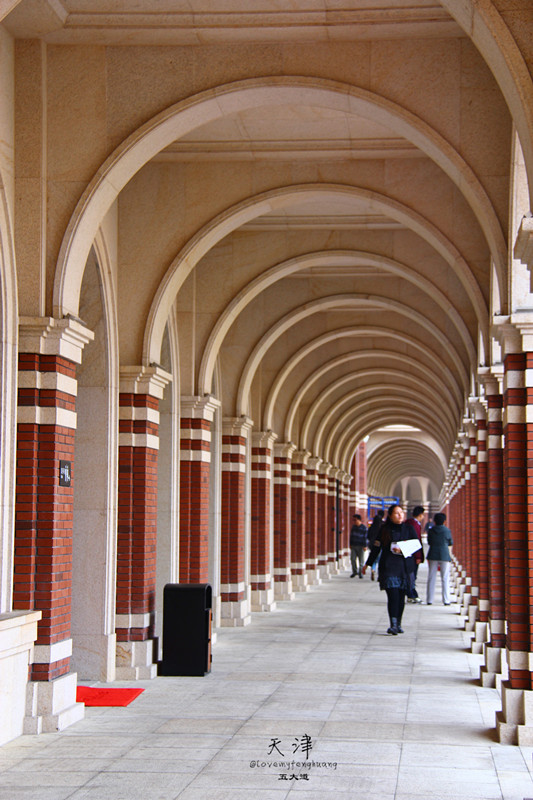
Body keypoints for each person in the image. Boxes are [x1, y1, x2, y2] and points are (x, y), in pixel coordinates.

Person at [364, 504, 420, 635]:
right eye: (396, 513)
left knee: (401, 597)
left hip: (404, 567)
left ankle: (398, 623)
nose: (400, 515)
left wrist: (403, 549)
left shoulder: (409, 528)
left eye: (401, 513)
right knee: (393, 595)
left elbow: (416, 545)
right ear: (390, 516)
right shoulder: (384, 530)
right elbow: (376, 547)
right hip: (389, 567)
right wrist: (368, 564)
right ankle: (393, 624)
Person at [426, 512, 453, 605]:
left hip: (433, 554)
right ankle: (446, 600)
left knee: (431, 577)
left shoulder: (431, 530)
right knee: (445, 577)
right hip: (444, 555)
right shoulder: (447, 531)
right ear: (444, 521)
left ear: (434, 521)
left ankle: (429, 599)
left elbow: (429, 541)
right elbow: (450, 542)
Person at [405, 505, 425, 603]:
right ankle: (411, 593)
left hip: (408, 552)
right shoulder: (415, 525)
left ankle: (411, 593)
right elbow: (416, 541)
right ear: (420, 515)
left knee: (410, 575)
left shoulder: (408, 523)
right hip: (413, 554)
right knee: (412, 575)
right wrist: (418, 556)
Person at [366, 509, 384, 580]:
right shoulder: (383, 526)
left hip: (372, 545)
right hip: (381, 545)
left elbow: (368, 536)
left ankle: (373, 569)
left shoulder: (371, 527)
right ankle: (380, 574)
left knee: (374, 558)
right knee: (380, 560)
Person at [349, 514, 367, 578]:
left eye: (355, 520)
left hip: (361, 546)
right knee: (352, 559)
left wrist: (365, 546)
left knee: (361, 560)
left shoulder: (364, 528)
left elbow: (365, 537)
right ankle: (354, 572)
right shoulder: (353, 527)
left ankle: (360, 573)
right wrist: (350, 544)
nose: (354, 521)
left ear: (359, 520)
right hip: (354, 546)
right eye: (353, 520)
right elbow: (351, 536)